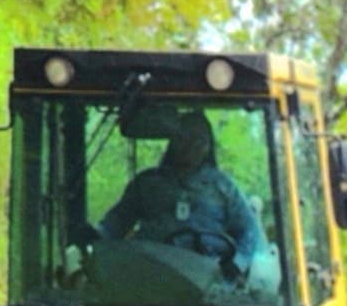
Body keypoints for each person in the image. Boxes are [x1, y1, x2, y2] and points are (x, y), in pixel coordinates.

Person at [102, 103, 256, 276]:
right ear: (173, 141)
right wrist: (98, 236)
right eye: (185, 138)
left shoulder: (224, 187)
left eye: (200, 140)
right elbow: (118, 220)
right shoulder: (147, 184)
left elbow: (248, 229)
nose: (192, 146)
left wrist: (237, 263)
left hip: (208, 279)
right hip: (151, 275)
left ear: (208, 147)